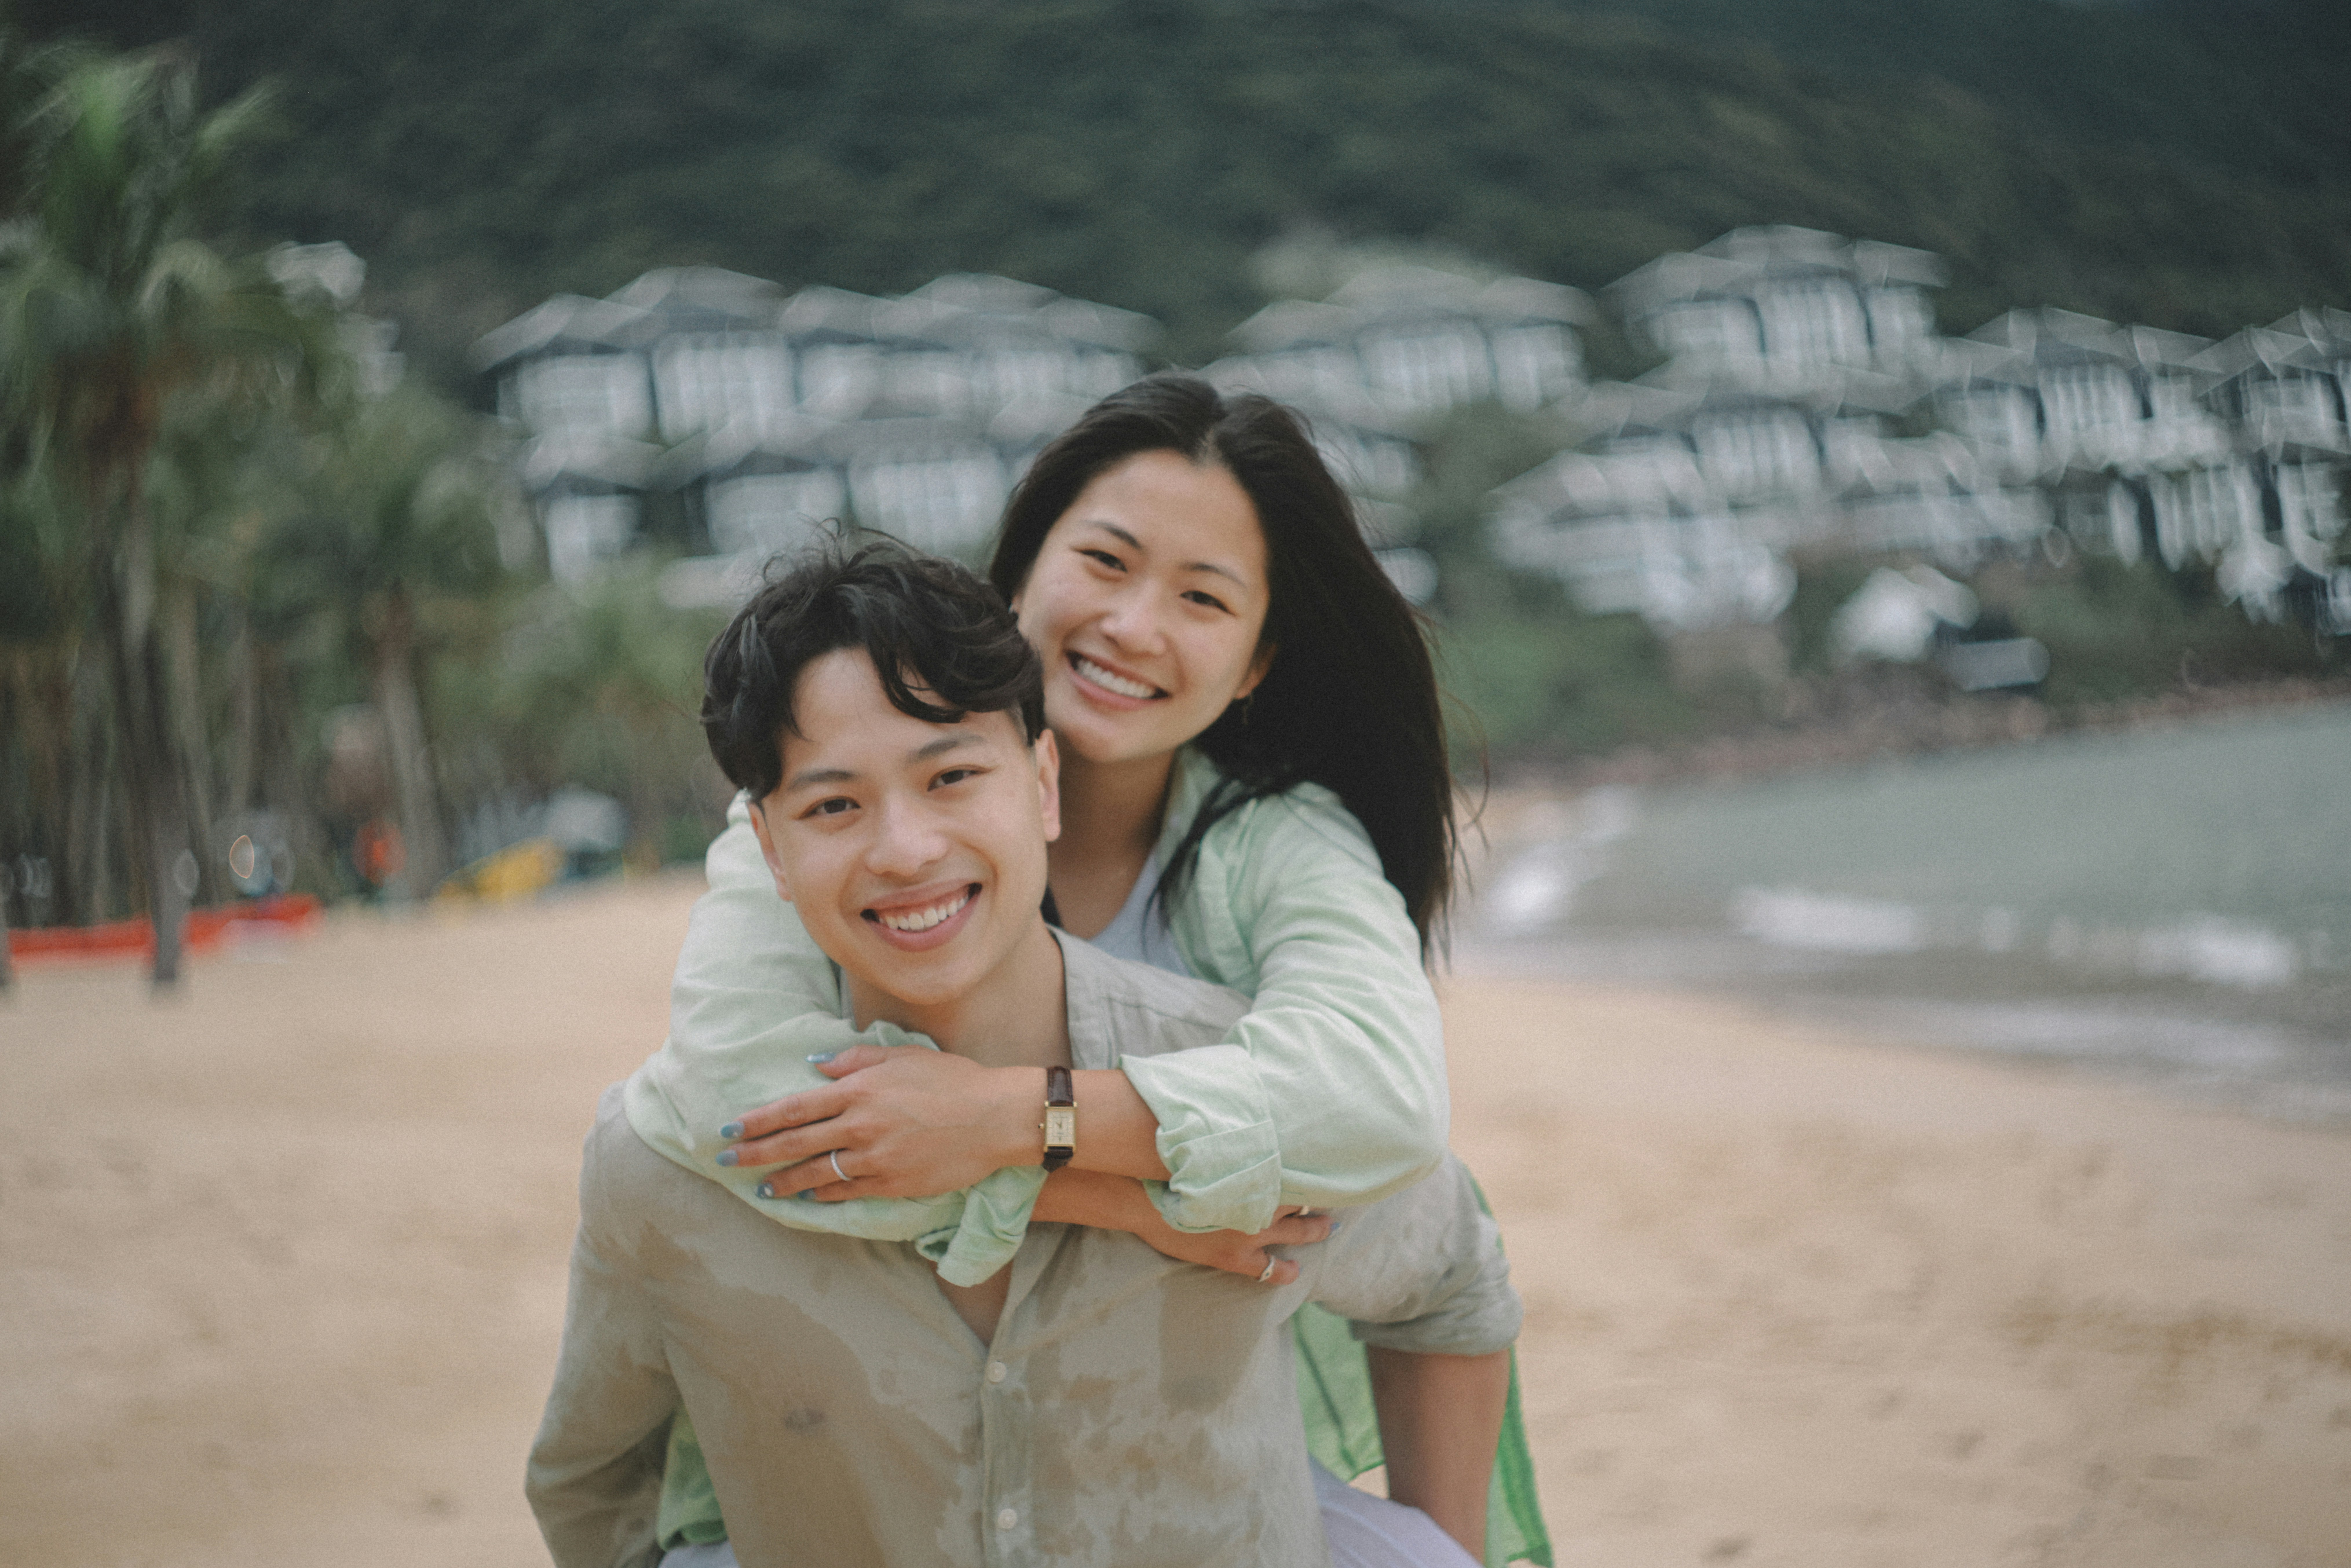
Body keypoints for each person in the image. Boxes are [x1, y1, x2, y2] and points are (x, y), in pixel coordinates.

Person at [626, 376, 1546, 1562]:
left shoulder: (1274, 846)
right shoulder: (852, 824)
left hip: (1172, 1440)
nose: (1132, 625)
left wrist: (1010, 1119)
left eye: (1201, 598)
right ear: (1021, 572)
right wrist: (1106, 1196)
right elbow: (738, 1107)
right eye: (1104, 562)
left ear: (1256, 661)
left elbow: (1383, 1102)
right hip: (869, 1444)